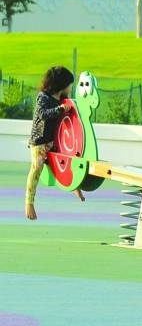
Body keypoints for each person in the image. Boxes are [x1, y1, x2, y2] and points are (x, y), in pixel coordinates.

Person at [25, 66, 85, 220]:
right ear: (62, 84)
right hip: (39, 142)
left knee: (66, 161)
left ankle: (74, 185)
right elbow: (43, 114)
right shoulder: (43, 97)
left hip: (53, 141)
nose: (71, 88)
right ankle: (29, 203)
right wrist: (60, 109)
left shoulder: (62, 100)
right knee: (36, 168)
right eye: (70, 85)